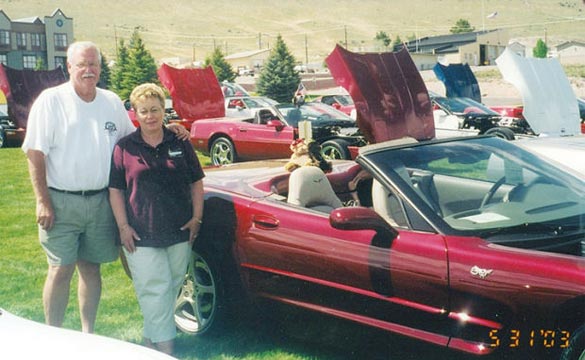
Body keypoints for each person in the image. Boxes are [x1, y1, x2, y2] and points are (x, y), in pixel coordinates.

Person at [22, 41, 188, 333]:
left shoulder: (110, 101)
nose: (88, 70)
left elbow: (135, 137)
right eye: (82, 64)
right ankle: (53, 338)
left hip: (101, 201)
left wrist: (168, 128)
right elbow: (35, 152)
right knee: (60, 270)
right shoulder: (51, 101)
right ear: (69, 67)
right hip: (60, 201)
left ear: (99, 68)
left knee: (91, 268)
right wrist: (42, 200)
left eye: (93, 64)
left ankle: (88, 336)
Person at [108, 83, 204, 355]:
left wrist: (197, 218)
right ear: (135, 114)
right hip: (141, 233)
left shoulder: (179, 142)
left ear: (164, 110)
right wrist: (123, 226)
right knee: (154, 290)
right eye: (143, 111)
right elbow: (115, 189)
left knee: (170, 288)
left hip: (179, 230)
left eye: (155, 110)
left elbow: (196, 182)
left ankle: (149, 343)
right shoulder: (125, 147)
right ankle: (166, 351)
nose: (149, 116)